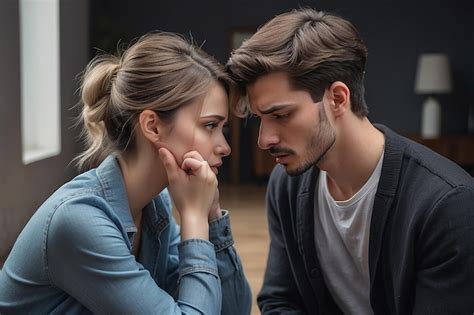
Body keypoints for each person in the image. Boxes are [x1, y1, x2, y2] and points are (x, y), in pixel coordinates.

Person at [226, 7, 474, 314]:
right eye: (260, 119)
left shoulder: (447, 207)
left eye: (281, 115)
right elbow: (280, 301)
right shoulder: (287, 185)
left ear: (338, 98)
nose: (264, 140)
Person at [0, 31, 252, 314]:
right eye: (209, 126)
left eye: (222, 128)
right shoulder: (79, 220)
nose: (225, 147)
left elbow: (233, 309)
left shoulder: (155, 207)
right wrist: (194, 220)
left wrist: (211, 216)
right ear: (153, 126)